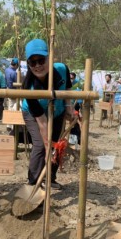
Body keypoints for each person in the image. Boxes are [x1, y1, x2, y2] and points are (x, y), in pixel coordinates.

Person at [21, 39, 74, 190]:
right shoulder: (28, 88)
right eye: (33, 62)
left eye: (41, 60)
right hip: (33, 115)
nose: (38, 66)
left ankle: (51, 178)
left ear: (49, 58)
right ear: (29, 64)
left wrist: (69, 106)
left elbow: (67, 89)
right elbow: (42, 123)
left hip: (57, 111)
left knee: (57, 144)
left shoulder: (62, 69)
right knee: (40, 145)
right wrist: (47, 147)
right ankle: (33, 183)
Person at [5, 58, 19, 131]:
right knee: (14, 107)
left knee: (10, 107)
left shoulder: (6, 70)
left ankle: (8, 125)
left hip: (8, 89)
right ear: (16, 65)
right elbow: (17, 82)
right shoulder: (14, 73)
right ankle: (13, 125)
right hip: (13, 91)